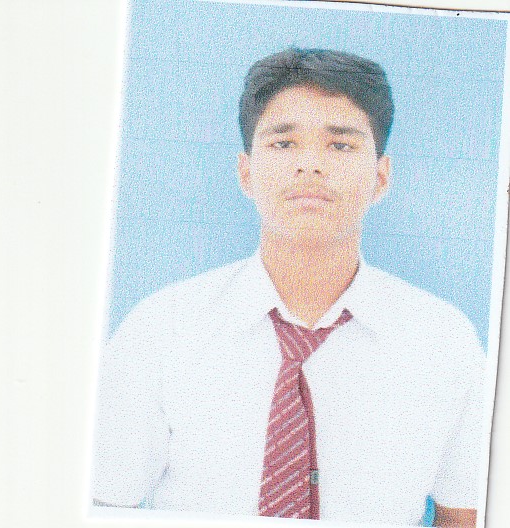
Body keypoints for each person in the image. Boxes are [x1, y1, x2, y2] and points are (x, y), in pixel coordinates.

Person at [92, 48, 484, 527]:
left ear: (381, 177)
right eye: (284, 143)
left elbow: (466, 514)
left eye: (340, 146)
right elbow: (101, 505)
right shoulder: (163, 328)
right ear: (246, 173)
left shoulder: (443, 340)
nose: (310, 165)